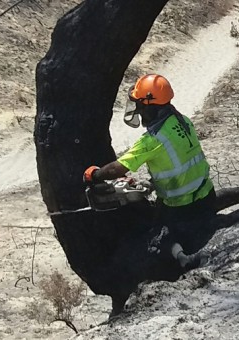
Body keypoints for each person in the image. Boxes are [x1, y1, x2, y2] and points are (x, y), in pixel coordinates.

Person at [83, 74, 216, 270]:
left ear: (150, 106)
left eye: (139, 105)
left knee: (157, 242)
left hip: (182, 208)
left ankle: (184, 260)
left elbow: (117, 168)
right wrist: (153, 184)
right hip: (206, 196)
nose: (138, 110)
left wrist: (94, 174)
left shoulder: (153, 140)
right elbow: (180, 161)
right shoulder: (183, 122)